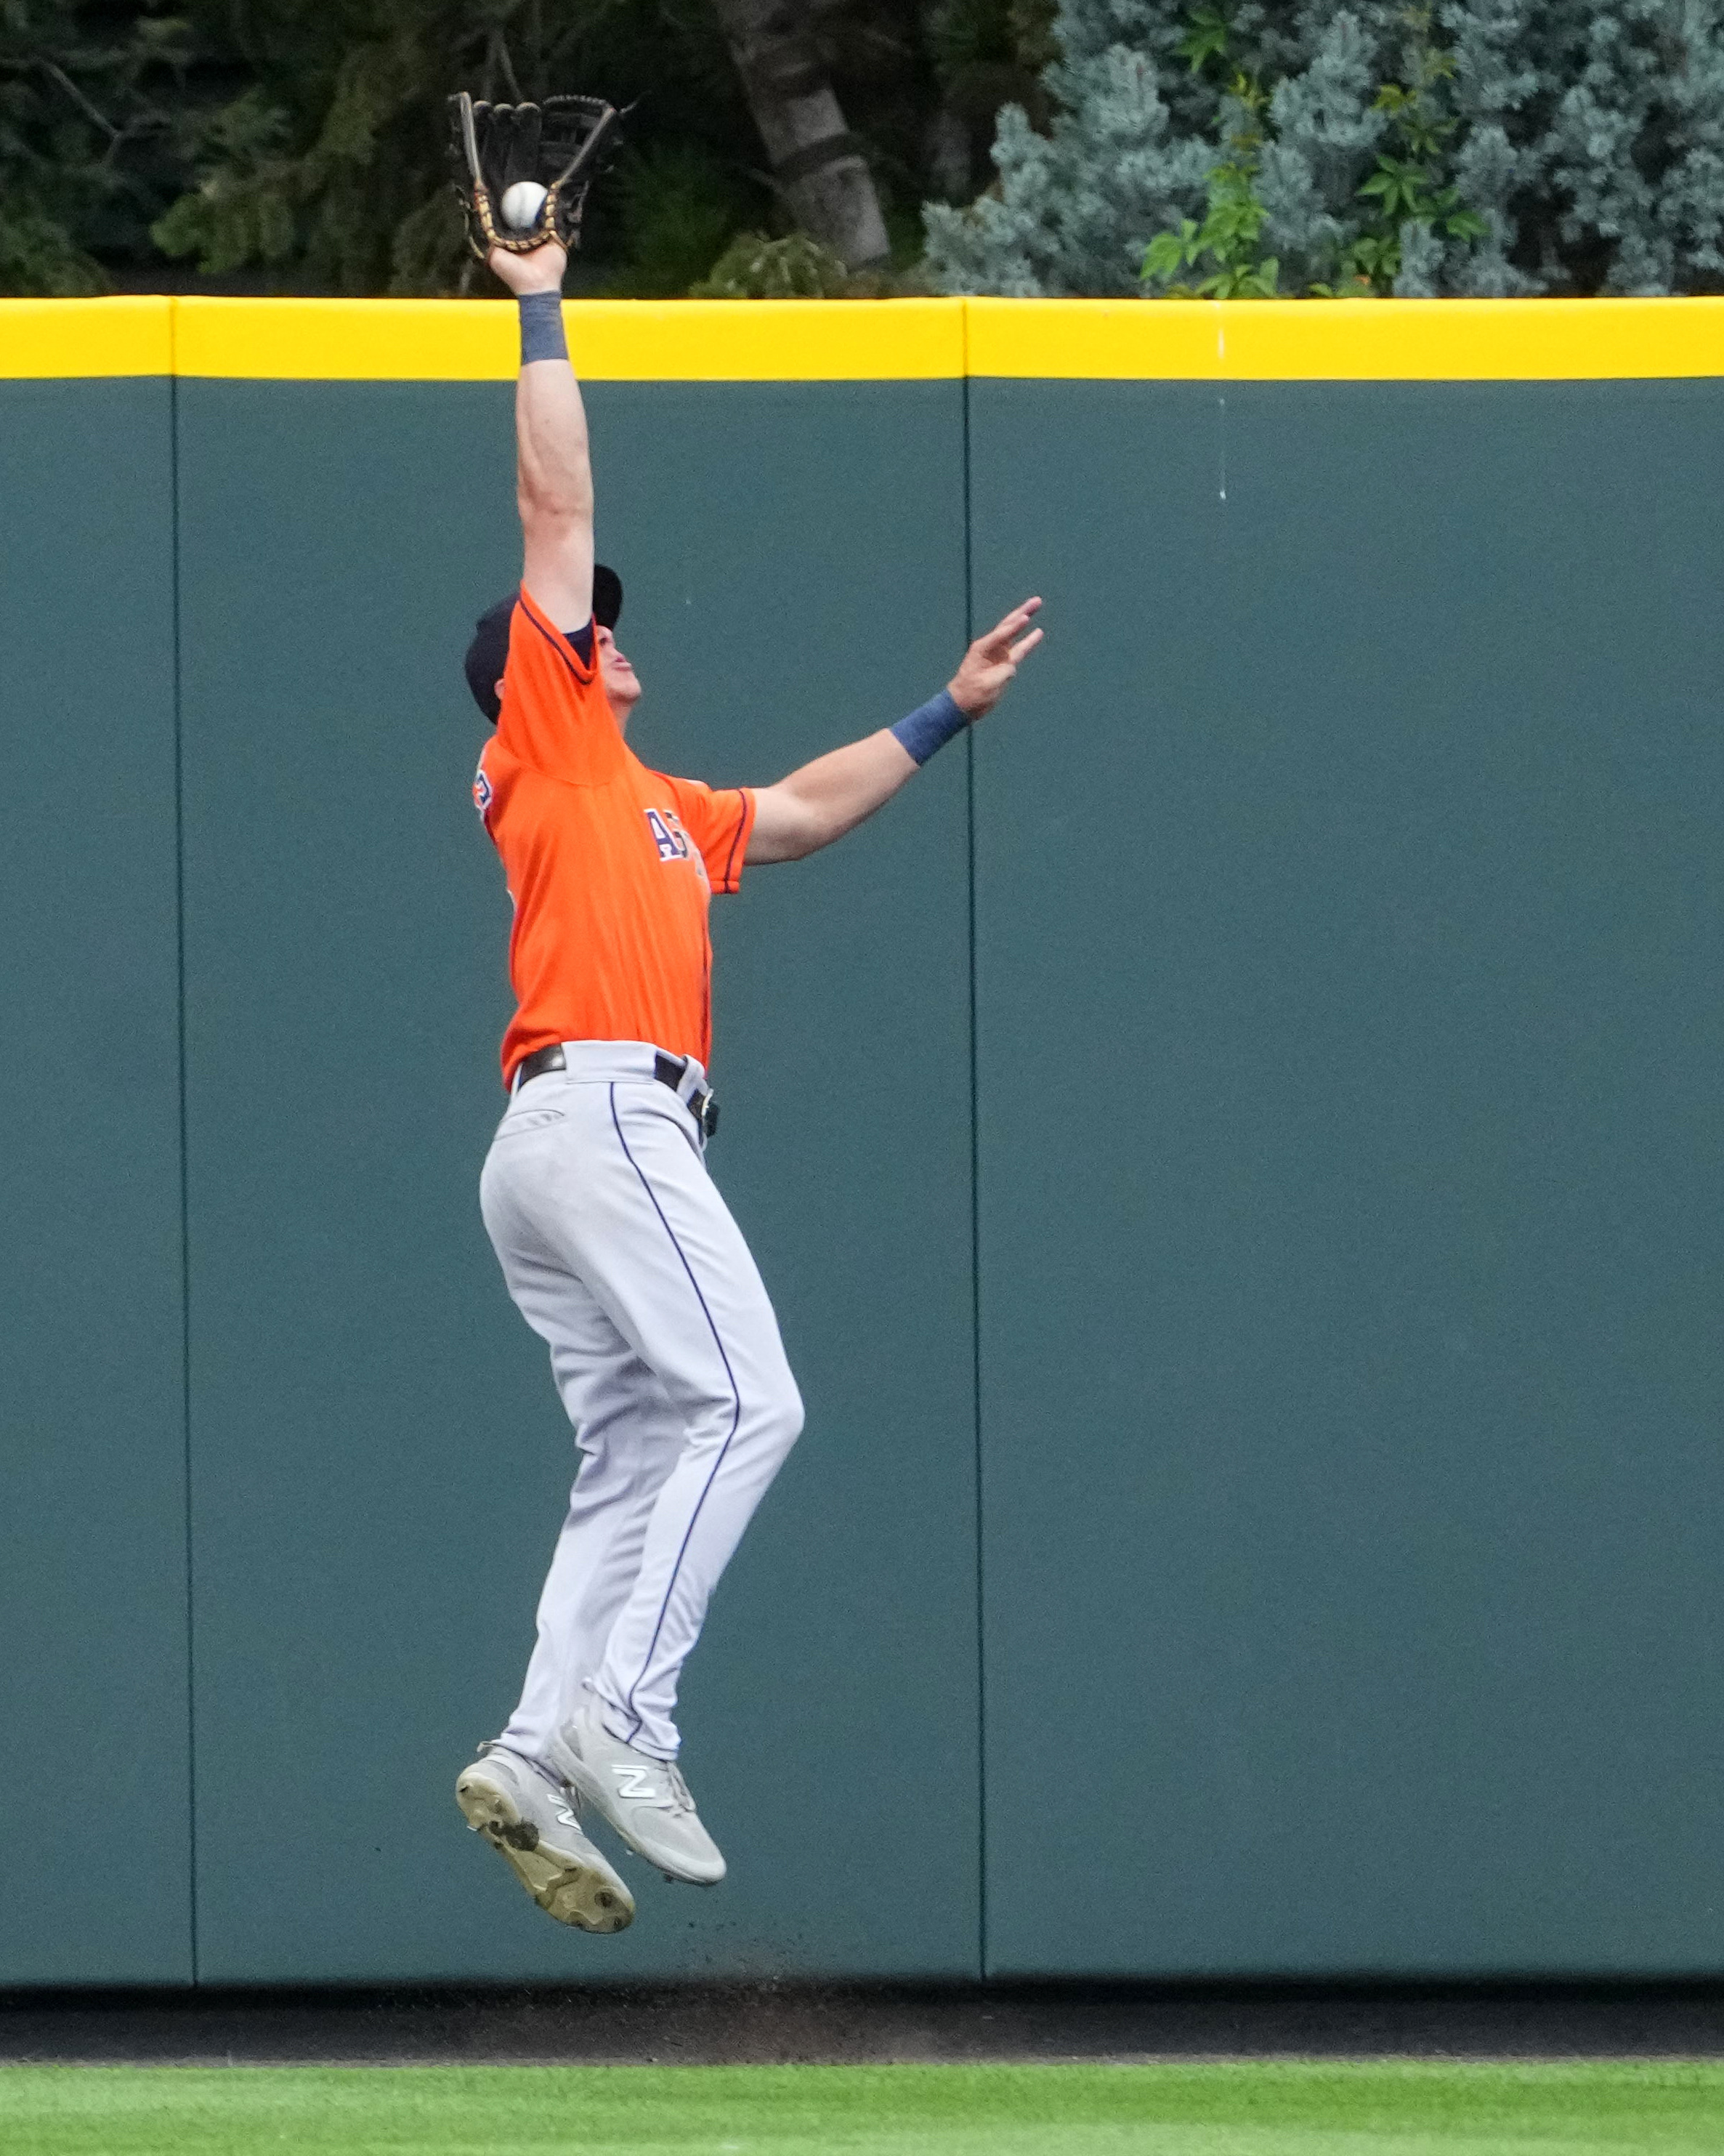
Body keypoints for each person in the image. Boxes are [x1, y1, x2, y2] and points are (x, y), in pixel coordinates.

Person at [448, 235, 1045, 1932]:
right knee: (750, 1401)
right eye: (586, 634)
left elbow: (794, 811)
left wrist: (948, 710)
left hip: (558, 1139)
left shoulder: (655, 801)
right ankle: (632, 1715)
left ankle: (535, 1750)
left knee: (636, 1452)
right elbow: (555, 514)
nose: (611, 637)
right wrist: (543, 300)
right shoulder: (547, 736)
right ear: (539, 672)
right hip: (603, 1114)